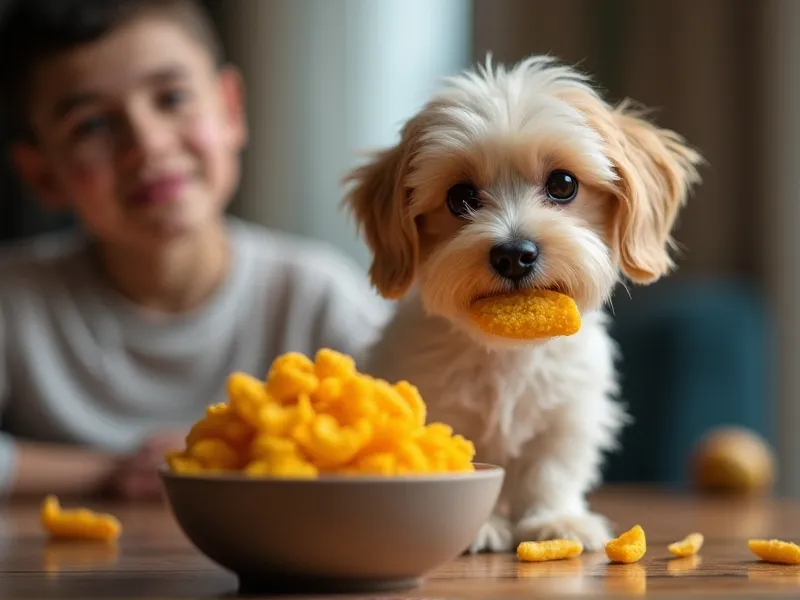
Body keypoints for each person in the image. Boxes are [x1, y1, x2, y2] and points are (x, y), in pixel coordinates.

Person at [0, 0, 390, 500]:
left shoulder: (312, 295)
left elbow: (407, 441)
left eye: (171, 98)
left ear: (230, 108)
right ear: (42, 174)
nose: (147, 143)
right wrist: (110, 472)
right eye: (92, 125)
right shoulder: (15, 301)